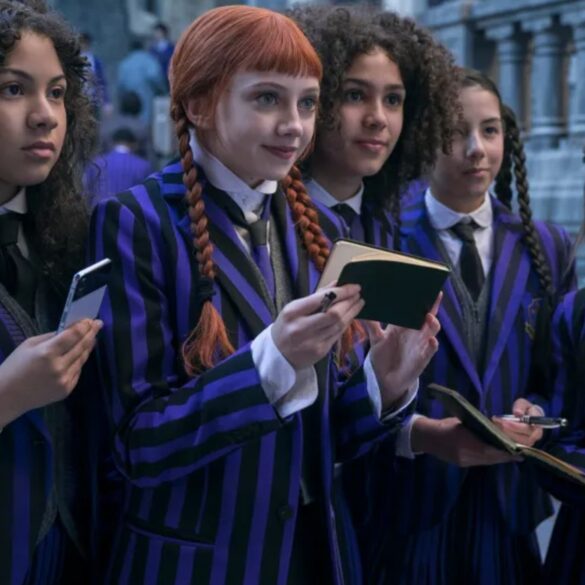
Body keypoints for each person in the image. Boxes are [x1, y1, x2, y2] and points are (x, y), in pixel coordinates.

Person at [89, 6, 441, 584]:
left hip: (313, 554)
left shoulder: (319, 229)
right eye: (268, 99)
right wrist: (272, 360)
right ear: (198, 105)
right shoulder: (135, 222)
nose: (295, 126)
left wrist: (385, 380)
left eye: (308, 103)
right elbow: (137, 445)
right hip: (195, 564)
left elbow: (327, 439)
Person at [353, 69, 576, 584]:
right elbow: (353, 380)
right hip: (407, 507)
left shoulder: (546, 246)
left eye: (490, 130)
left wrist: (537, 412)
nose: (477, 149)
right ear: (422, 138)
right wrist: (416, 436)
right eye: (455, 132)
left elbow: (560, 371)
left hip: (509, 509)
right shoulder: (381, 236)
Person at [0, 1, 106, 584]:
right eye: (13, 89)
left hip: (69, 552)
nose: (44, 116)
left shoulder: (70, 237)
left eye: (58, 93)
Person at [290, 5, 458, 249]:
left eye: (393, 100)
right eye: (355, 95)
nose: (378, 118)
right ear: (314, 100)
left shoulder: (399, 231)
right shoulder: (269, 224)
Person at [85, 127, 154, 205]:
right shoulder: (143, 165)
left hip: (99, 208)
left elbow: (87, 189)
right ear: (134, 144)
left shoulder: (96, 163)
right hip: (129, 210)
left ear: (113, 142)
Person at [117, 37, 165, 126]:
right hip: (146, 95)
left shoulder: (125, 63)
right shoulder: (149, 60)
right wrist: (161, 91)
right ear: (142, 48)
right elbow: (154, 76)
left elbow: (120, 84)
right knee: (145, 120)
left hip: (129, 99)